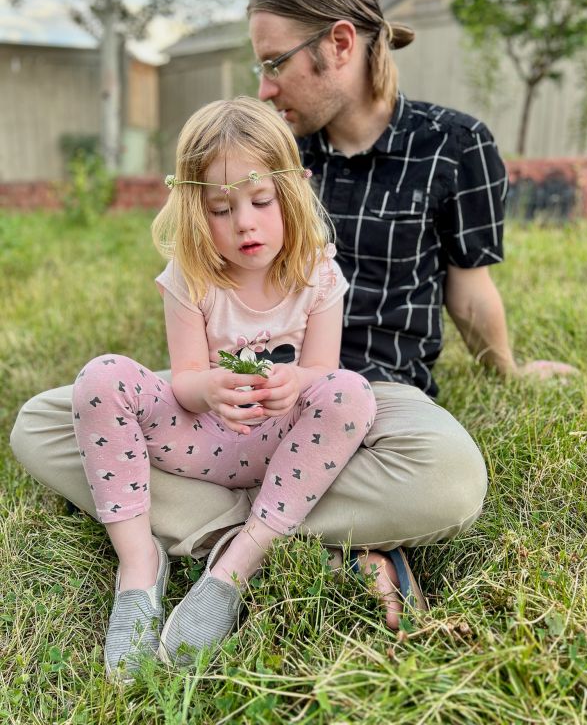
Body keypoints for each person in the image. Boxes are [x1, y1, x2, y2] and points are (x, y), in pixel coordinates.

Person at [10, 0, 575, 668]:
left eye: (274, 63)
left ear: (339, 44)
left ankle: (219, 535)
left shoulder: (454, 145)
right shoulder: (270, 152)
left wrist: (509, 366)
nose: (266, 88)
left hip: (371, 391)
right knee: (42, 424)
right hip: (237, 402)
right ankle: (310, 539)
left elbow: (469, 286)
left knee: (451, 478)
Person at [71, 96, 377, 675]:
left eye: (261, 201)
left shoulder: (318, 272)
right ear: (194, 211)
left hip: (282, 447)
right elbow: (183, 381)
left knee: (352, 392)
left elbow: (323, 371)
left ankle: (236, 565)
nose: (244, 222)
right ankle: (139, 567)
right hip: (200, 440)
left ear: (290, 193)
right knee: (101, 377)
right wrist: (208, 387)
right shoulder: (192, 277)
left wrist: (298, 383)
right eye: (220, 208)